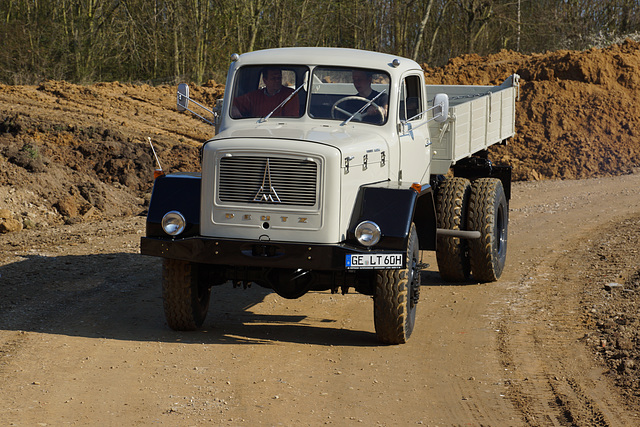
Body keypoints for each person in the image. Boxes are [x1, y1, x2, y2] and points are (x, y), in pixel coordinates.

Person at [232, 68, 300, 118]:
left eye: (279, 78)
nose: (277, 81)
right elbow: (233, 103)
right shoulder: (255, 96)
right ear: (265, 80)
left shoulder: (290, 94)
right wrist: (234, 109)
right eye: (273, 78)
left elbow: (291, 118)